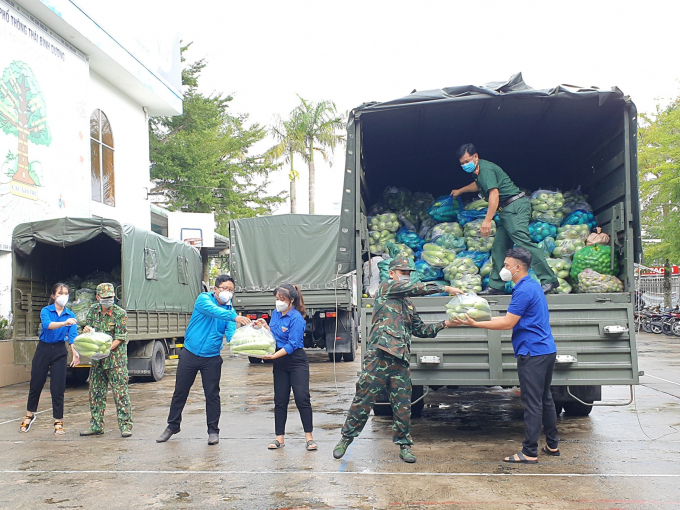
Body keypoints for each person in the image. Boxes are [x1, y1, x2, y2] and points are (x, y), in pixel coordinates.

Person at [333, 257, 462, 464]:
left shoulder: (408, 304)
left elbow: (421, 330)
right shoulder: (386, 289)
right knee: (363, 399)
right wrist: (446, 288)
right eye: (402, 272)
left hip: (400, 361)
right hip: (379, 356)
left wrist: (446, 323)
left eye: (409, 273)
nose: (406, 276)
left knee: (403, 406)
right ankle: (345, 438)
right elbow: (418, 288)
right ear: (392, 273)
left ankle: (404, 445)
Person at [452, 247, 559, 463]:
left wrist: (476, 323)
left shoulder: (522, 290)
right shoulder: (533, 285)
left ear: (518, 267)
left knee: (532, 402)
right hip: (546, 349)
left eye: (507, 265)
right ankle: (553, 445)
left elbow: (508, 323)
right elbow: (512, 317)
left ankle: (529, 452)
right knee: (545, 398)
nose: (504, 269)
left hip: (532, 352)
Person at [451, 143, 558, 294]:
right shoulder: (478, 172)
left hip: (515, 207)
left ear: (476, 156)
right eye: (462, 163)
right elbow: (478, 185)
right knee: (499, 247)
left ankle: (549, 280)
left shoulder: (486, 169)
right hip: (506, 211)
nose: (465, 165)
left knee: (523, 243)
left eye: (467, 161)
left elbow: (494, 194)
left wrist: (487, 220)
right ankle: (496, 286)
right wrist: (460, 190)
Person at [156, 275, 251, 445]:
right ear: (215, 289)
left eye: (231, 290)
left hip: (212, 357)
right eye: (224, 289)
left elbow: (231, 335)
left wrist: (248, 334)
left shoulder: (231, 311)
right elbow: (214, 312)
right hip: (190, 353)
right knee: (180, 391)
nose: (227, 293)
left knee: (212, 395)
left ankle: (213, 430)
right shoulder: (203, 299)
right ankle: (172, 425)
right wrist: (234, 318)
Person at [257, 284, 317, 451]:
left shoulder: (297, 318)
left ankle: (309, 438)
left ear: (291, 300)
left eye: (282, 299)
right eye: (277, 299)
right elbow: (275, 336)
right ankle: (279, 438)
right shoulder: (275, 314)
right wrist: (265, 327)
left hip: (296, 361)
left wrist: (273, 356)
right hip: (280, 363)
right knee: (280, 400)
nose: (278, 302)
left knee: (302, 398)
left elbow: (292, 344)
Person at [20, 283, 80, 435]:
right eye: (60, 293)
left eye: (66, 293)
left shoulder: (71, 315)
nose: (63, 296)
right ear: (53, 296)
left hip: (59, 350)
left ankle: (58, 421)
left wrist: (75, 352)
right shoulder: (46, 310)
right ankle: (29, 415)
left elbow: (72, 336)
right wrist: (64, 323)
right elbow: (47, 325)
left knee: (58, 387)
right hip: (44, 349)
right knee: (36, 383)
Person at [80, 283, 133, 438]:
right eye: (105, 298)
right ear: (98, 297)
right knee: (95, 392)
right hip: (97, 361)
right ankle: (96, 425)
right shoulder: (93, 311)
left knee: (120, 393)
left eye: (110, 297)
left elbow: (120, 338)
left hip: (115, 361)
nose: (108, 300)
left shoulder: (119, 313)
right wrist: (86, 330)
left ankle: (125, 426)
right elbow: (89, 329)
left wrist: (105, 350)